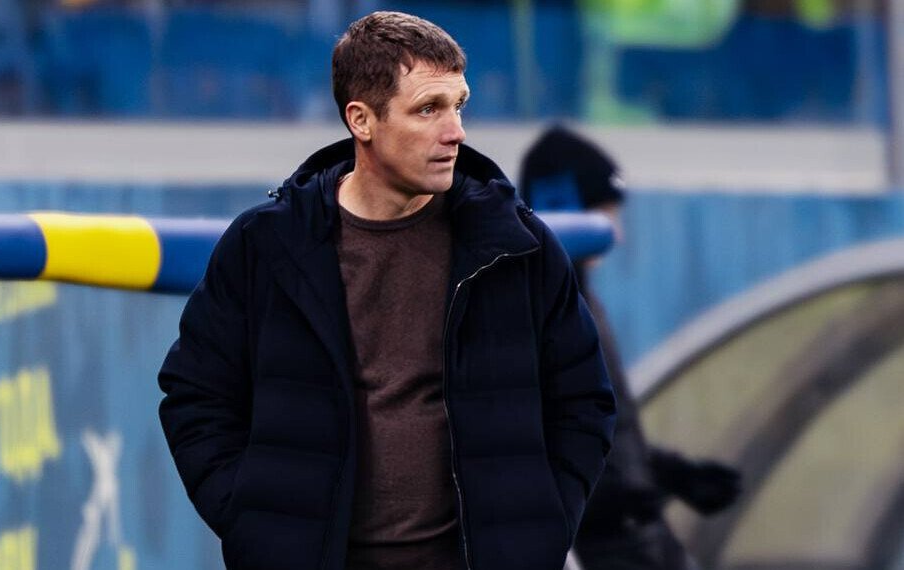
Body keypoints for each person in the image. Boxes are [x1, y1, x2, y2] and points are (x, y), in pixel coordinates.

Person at [158, 12, 617, 570]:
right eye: (428, 109)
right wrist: (256, 525)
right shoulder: (266, 245)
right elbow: (196, 394)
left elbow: (584, 402)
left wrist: (539, 530)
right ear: (362, 120)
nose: (455, 131)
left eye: (459, 105)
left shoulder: (518, 247)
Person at [519, 124, 743, 570]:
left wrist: (670, 473)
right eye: (604, 216)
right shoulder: (536, 313)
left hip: (642, 540)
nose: (615, 236)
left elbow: (604, 432)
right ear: (560, 209)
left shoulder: (582, 301)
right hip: (603, 550)